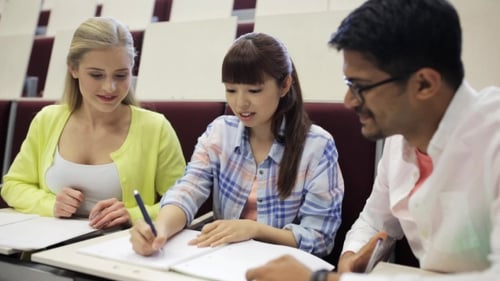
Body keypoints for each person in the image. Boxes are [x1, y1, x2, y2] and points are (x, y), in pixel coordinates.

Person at [245, 0, 500, 280]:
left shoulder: (493, 138)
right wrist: (351, 257)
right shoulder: (400, 140)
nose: (348, 101)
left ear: (425, 84)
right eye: (348, 85)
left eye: (361, 87)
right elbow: (375, 220)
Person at [130, 32, 344, 258]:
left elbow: (320, 238)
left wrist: (254, 230)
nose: (240, 103)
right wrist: (159, 229)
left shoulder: (317, 146)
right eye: (231, 90)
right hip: (224, 262)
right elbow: (187, 191)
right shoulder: (219, 132)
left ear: (284, 86)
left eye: (254, 90)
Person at [1, 17, 186, 230]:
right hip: (45, 250)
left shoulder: (156, 128)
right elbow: (13, 185)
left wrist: (132, 215)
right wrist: (50, 204)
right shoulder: (47, 120)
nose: (110, 87)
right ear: (73, 69)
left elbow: (181, 201)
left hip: (120, 251)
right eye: (96, 75)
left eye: (121, 75)